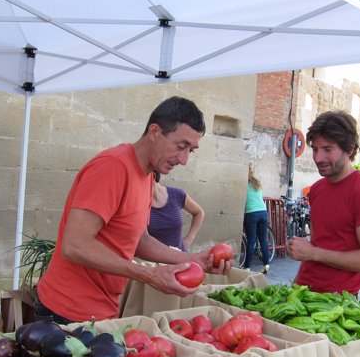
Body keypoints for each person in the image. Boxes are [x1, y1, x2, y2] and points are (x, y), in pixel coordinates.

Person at [35, 96, 231, 324]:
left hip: (102, 311)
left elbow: (138, 240)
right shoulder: (113, 167)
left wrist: (191, 258)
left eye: (191, 150)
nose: (184, 159)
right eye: (181, 146)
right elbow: (74, 245)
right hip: (66, 311)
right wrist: (148, 275)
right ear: (155, 132)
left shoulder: (147, 176)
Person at [287, 110, 360, 296]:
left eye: (328, 149)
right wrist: (297, 283)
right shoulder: (316, 189)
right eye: (315, 149)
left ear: (349, 149)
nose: (318, 158)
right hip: (302, 293)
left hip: (336, 304)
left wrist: (312, 253)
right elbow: (320, 243)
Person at [147, 172, 205, 251]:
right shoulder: (139, 202)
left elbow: (199, 213)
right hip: (154, 262)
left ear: (152, 176)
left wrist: (189, 239)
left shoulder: (177, 195)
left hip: (180, 257)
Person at [241, 163, 270, 275]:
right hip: (263, 212)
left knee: (251, 241)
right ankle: (266, 265)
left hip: (251, 213)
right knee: (263, 240)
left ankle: (247, 267)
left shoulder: (244, 184)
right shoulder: (257, 182)